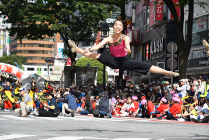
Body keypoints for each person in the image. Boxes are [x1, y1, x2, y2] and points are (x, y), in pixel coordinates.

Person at [68, 20, 179, 79]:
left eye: (119, 25)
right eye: (115, 25)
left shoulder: (125, 37)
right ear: (114, 27)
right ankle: (76, 49)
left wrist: (128, 48)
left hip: (125, 60)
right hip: (113, 60)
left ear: (122, 28)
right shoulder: (108, 38)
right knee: (96, 55)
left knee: (147, 66)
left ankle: (168, 72)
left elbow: (127, 45)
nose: (117, 26)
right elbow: (97, 46)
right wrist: (89, 48)